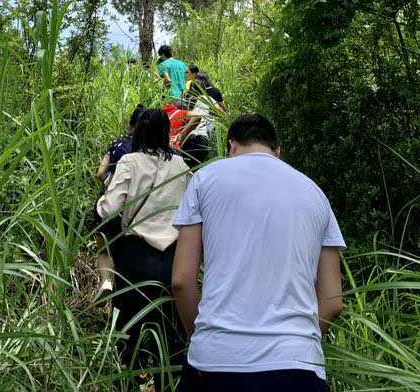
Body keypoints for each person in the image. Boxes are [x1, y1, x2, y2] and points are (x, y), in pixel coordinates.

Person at [172, 113, 345, 391]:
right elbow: (333, 302)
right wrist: (300, 343)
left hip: (214, 363)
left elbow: (181, 280)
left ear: (232, 146)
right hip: (298, 366)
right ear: (278, 151)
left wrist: (202, 337)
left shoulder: (204, 180)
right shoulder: (315, 194)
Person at [97, 108, 190, 391]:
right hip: (172, 257)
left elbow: (109, 209)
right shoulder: (181, 166)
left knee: (128, 325)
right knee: (170, 329)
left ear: (137, 131)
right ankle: (168, 382)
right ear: (166, 133)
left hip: (133, 255)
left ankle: (131, 379)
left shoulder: (128, 162)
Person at [94, 103, 147, 296]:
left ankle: (106, 281)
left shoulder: (117, 144)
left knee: (104, 248)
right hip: (138, 205)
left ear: (130, 124)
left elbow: (100, 173)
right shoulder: (148, 148)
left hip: (111, 203)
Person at [178, 73, 225, 168]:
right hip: (204, 139)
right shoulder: (209, 100)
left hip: (190, 138)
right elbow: (223, 114)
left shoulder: (187, 102)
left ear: (192, 89)